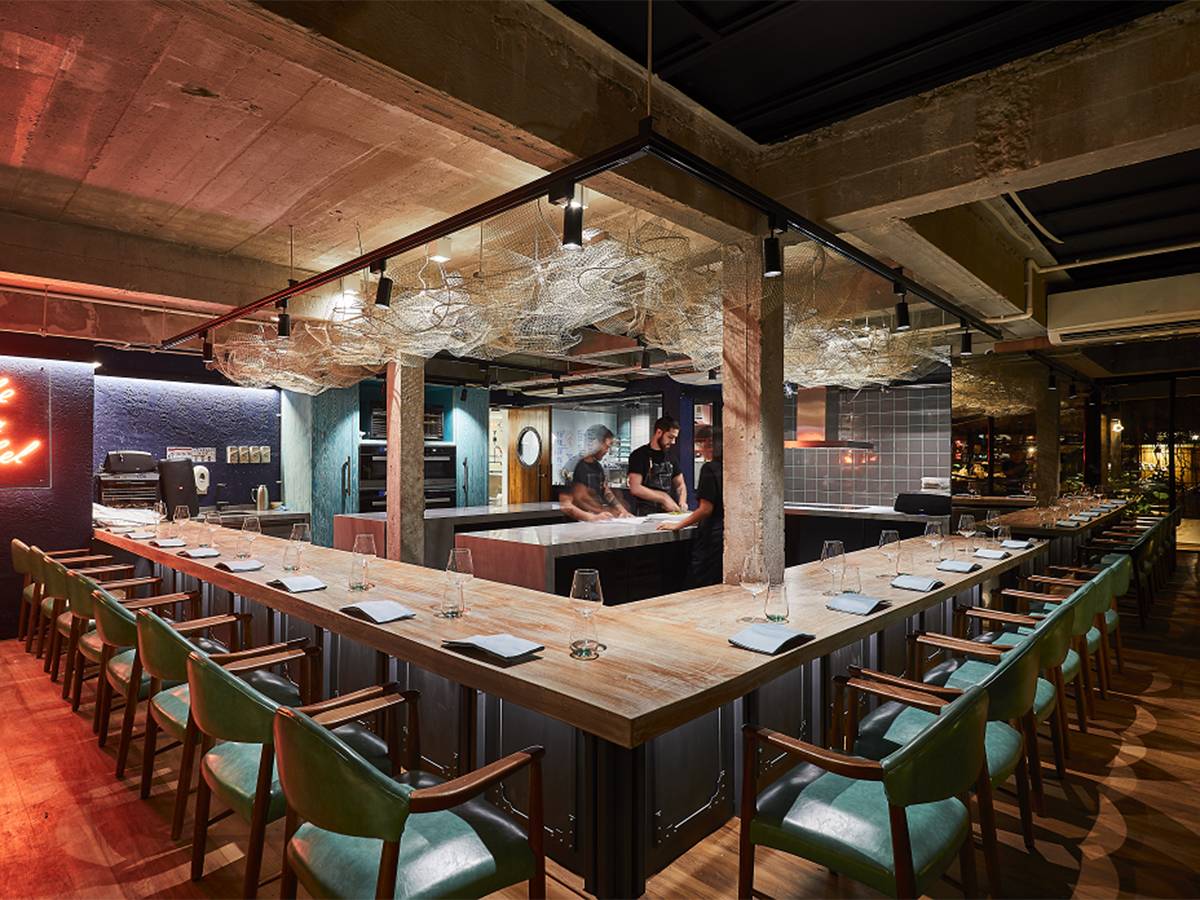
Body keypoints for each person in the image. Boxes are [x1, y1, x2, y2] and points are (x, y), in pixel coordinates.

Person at [657, 425, 723, 587]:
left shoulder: (709, 468)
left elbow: (706, 509)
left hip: (710, 538)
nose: (698, 450)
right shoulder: (728, 467)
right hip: (724, 536)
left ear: (708, 444)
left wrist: (677, 525)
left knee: (696, 584)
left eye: (699, 444)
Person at [562, 426, 632, 522]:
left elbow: (605, 490)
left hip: (596, 522)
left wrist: (623, 511)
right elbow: (568, 504)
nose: (607, 451)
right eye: (606, 446)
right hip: (578, 524)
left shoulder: (598, 467)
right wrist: (593, 516)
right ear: (595, 444)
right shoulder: (574, 466)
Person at [627, 415, 686, 516]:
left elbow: (680, 484)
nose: (673, 442)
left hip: (667, 514)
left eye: (675, 438)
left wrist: (682, 502)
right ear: (659, 432)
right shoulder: (639, 455)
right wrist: (663, 497)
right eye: (670, 437)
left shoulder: (671, 457)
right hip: (645, 515)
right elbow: (635, 488)